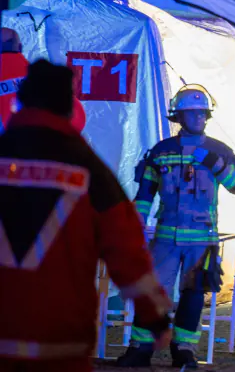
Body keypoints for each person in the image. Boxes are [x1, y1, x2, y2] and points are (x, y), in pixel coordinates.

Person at [0, 60, 172, 372]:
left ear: (19, 102)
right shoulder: (89, 171)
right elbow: (127, 252)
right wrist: (155, 316)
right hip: (58, 344)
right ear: (69, 108)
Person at [118, 85, 235, 368]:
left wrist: (215, 164)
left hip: (202, 241)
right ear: (179, 116)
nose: (199, 117)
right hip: (165, 238)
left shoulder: (218, 150)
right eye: (193, 113)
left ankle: (184, 350)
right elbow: (145, 193)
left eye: (203, 113)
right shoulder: (162, 151)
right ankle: (140, 348)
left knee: (192, 296)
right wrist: (136, 223)